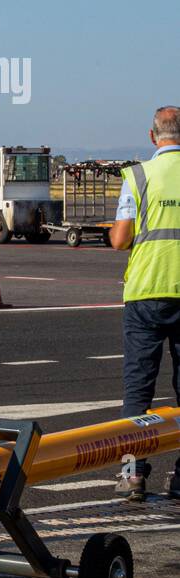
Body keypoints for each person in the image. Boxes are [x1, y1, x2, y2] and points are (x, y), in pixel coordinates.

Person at [110, 106, 180, 420]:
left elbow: (120, 239)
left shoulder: (138, 176)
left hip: (146, 291)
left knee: (138, 389)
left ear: (152, 136)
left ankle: (133, 468)